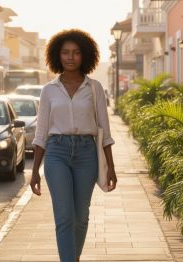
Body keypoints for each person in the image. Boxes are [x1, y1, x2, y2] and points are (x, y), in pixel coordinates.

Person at [30, 29, 117, 262]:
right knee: (64, 216)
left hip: (87, 153)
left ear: (85, 56)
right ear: (57, 56)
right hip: (56, 152)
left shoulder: (94, 88)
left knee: (81, 217)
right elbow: (41, 133)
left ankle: (73, 257)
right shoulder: (49, 90)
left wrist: (111, 167)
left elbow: (105, 131)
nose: (70, 57)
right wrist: (34, 171)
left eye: (76, 53)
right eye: (66, 52)